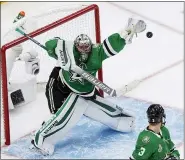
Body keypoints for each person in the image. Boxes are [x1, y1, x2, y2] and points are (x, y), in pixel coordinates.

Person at [30, 18, 147, 155]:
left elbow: (110, 45)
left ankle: (124, 121)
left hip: (86, 90)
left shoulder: (97, 52)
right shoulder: (68, 49)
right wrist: (55, 49)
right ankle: (42, 139)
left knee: (94, 105)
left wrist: (126, 32)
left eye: (87, 47)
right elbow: (52, 43)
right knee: (58, 115)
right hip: (61, 85)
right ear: (76, 46)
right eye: (81, 47)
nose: (85, 50)